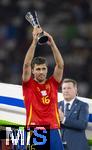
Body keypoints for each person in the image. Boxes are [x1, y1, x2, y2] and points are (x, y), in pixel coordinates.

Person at [22, 27, 64, 150]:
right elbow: (26, 64)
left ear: (47, 70)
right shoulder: (28, 84)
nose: (41, 72)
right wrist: (34, 42)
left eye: (44, 69)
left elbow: (60, 65)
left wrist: (52, 43)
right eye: (38, 69)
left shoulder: (53, 83)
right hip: (36, 129)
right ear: (33, 71)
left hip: (54, 128)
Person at [58, 78, 90, 150]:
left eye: (69, 88)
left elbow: (82, 124)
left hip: (77, 147)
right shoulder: (56, 106)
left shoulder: (83, 105)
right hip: (58, 146)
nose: (66, 91)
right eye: (64, 88)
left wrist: (64, 119)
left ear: (75, 90)